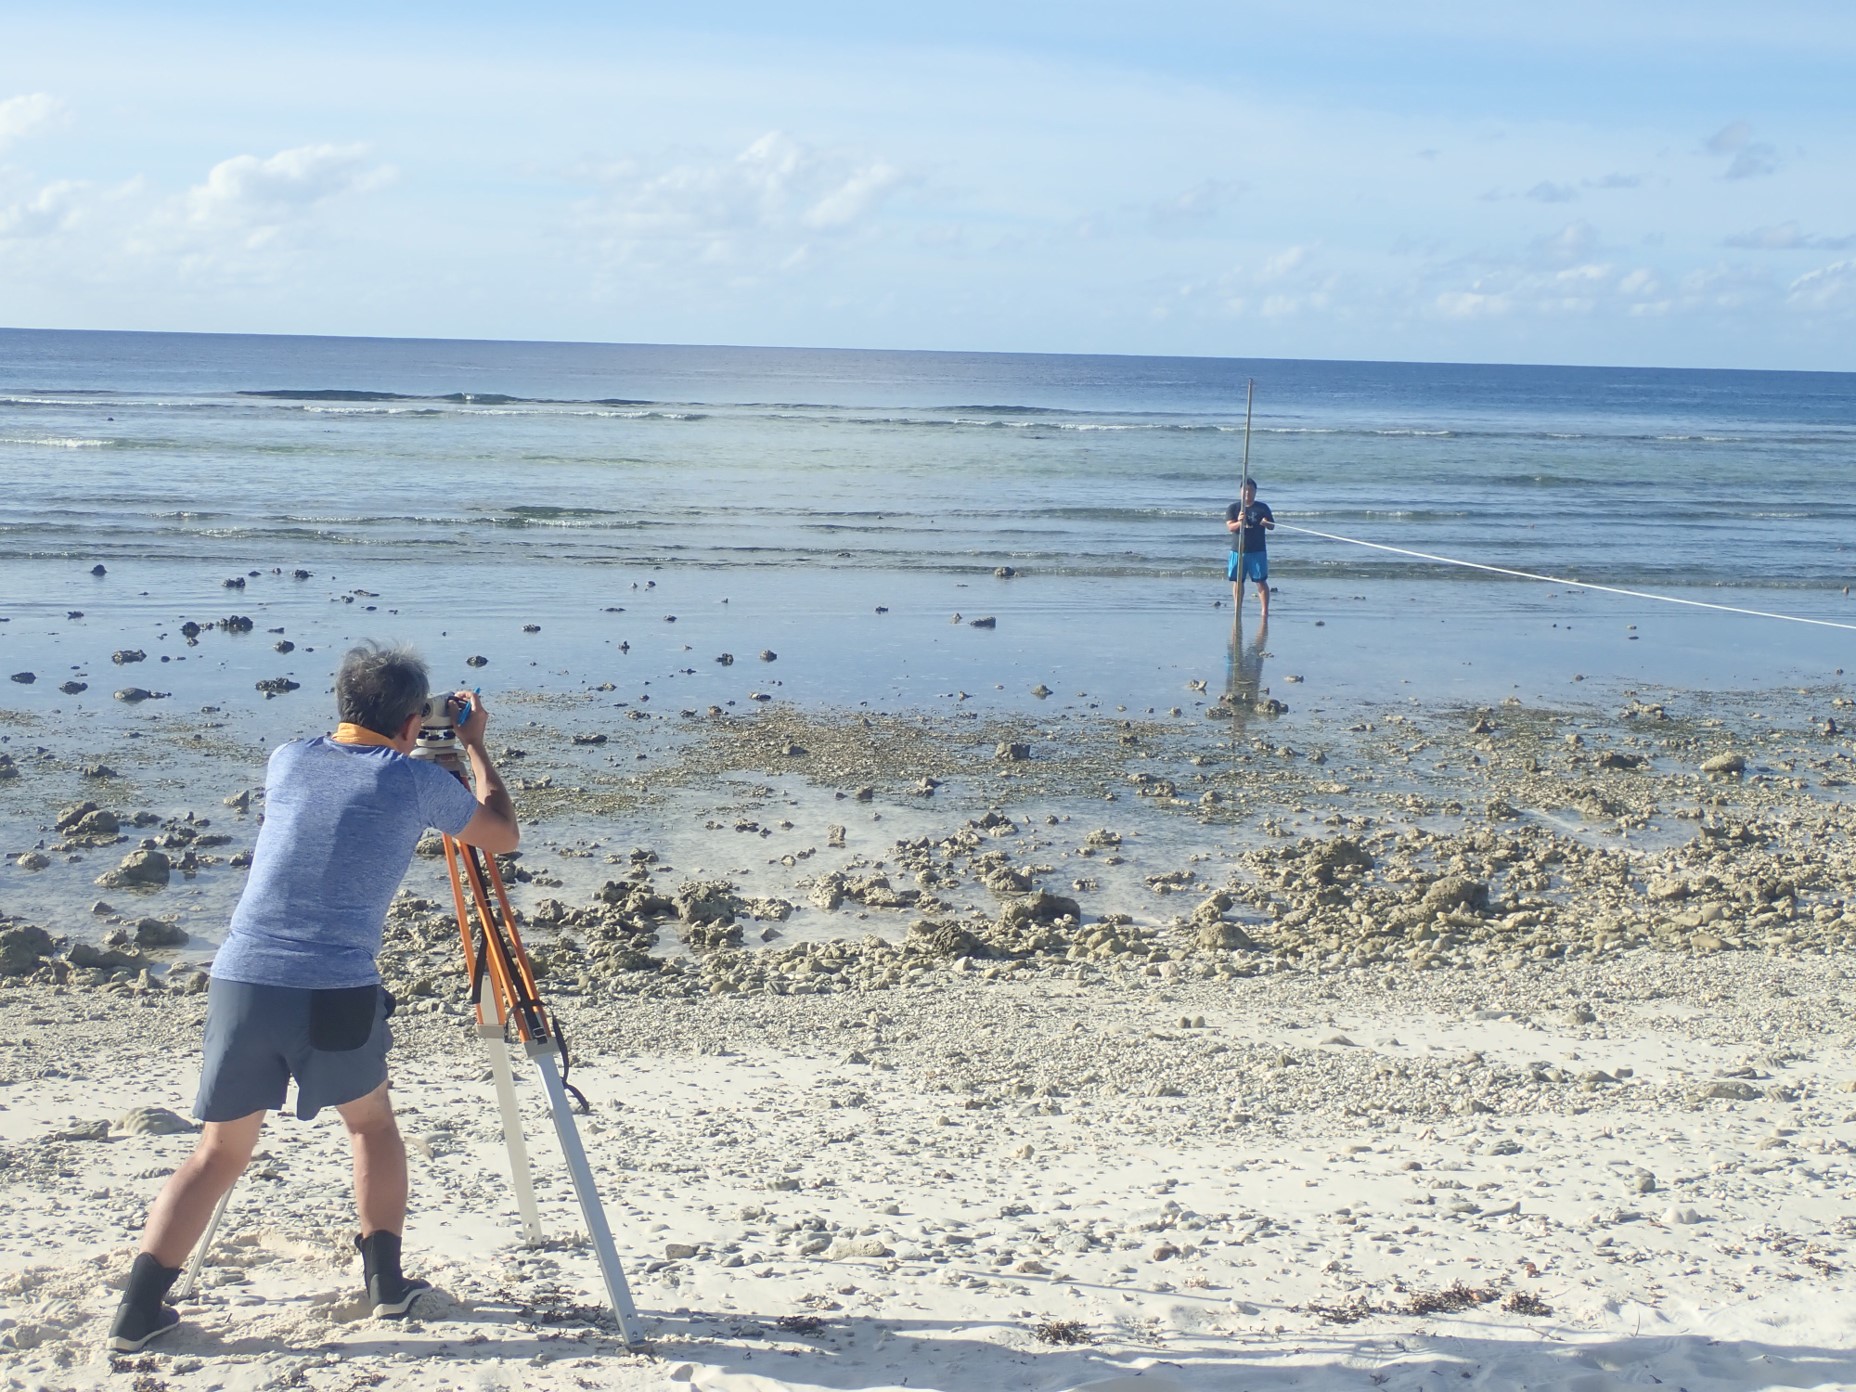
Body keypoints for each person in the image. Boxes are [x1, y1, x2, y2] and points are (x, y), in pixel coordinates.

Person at [107, 641, 519, 1353]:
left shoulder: (287, 760)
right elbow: (502, 836)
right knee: (372, 1126)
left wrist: (416, 735)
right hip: (334, 986)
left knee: (216, 1154)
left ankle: (138, 1311)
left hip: (243, 978)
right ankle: (386, 1286)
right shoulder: (412, 782)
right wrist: (475, 749)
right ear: (410, 722)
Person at [1225, 479, 1275, 619]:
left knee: (1260, 580)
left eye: (1251, 489)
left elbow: (1272, 526)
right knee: (1237, 581)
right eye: (1245, 489)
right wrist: (1239, 522)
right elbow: (1230, 527)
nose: (1248, 492)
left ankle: (1264, 611)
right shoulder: (1234, 508)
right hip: (1238, 550)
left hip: (1257, 550)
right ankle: (1237, 609)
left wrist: (1266, 523)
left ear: (1255, 491)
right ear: (1241, 491)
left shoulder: (1262, 507)